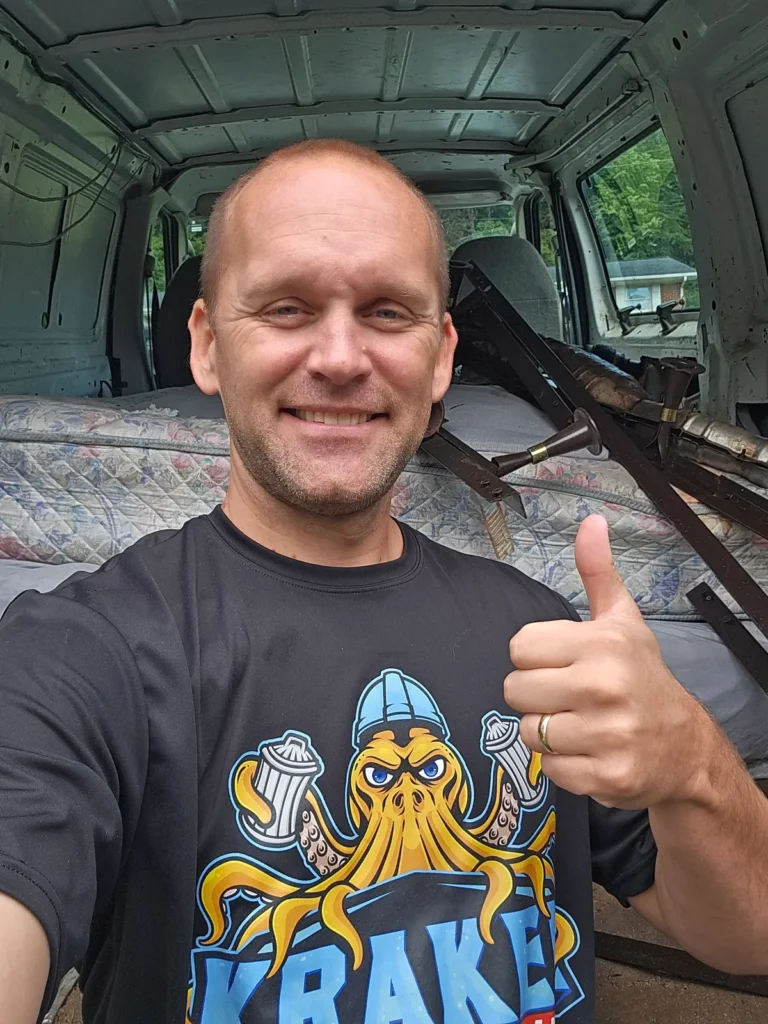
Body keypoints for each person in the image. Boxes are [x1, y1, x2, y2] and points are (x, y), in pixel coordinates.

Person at [0, 139, 766, 1024]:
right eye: (287, 307)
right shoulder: (86, 654)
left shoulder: (541, 635)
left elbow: (747, 938)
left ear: (442, 358)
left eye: (388, 312)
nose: (339, 357)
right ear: (207, 347)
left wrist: (695, 765)